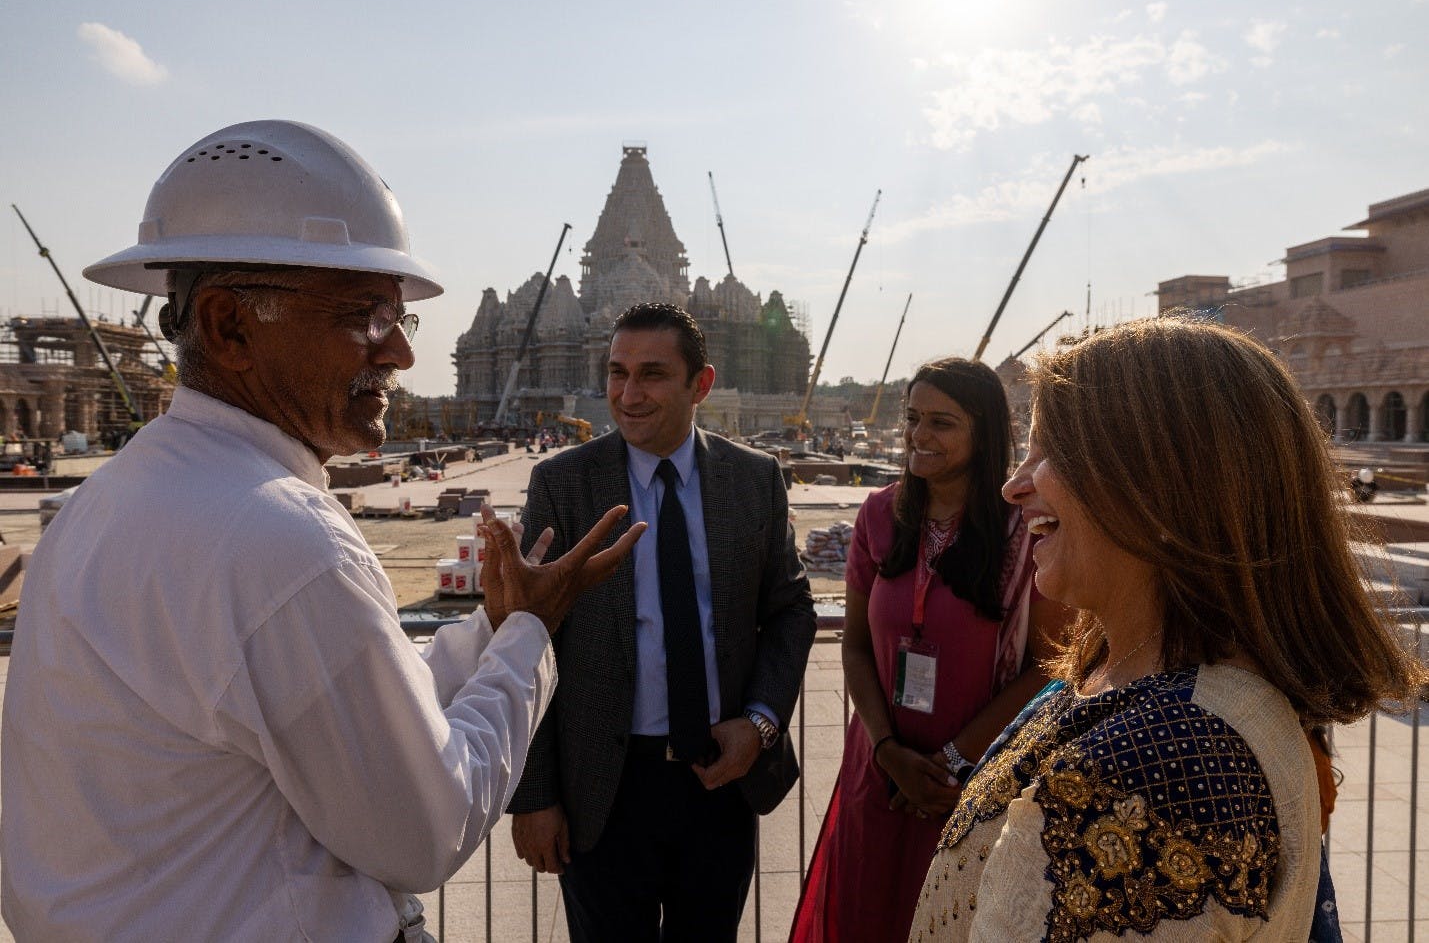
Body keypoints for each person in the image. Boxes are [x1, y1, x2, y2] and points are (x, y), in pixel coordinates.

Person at [0, 120, 644, 942]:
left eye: (398, 317)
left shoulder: (116, 500)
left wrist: (486, 628)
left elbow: (334, 694)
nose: (402, 354)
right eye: (363, 315)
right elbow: (424, 830)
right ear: (231, 326)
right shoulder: (277, 536)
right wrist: (527, 636)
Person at [909, 317, 1427, 941]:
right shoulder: (1126, 679)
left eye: (1050, 453)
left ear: (1157, 487)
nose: (1013, 485)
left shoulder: (1165, 768)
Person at [508, 302, 818, 942]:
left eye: (651, 374)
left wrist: (760, 724)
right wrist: (533, 794)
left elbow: (789, 610)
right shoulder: (563, 484)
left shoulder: (754, 480)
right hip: (602, 787)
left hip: (720, 773)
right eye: (617, 373)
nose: (627, 394)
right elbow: (526, 642)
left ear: (700, 385)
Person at [790, 358, 1072, 943]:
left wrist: (953, 760)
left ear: (985, 432)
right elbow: (858, 647)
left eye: (942, 422)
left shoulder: (1026, 529)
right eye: (913, 417)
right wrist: (888, 749)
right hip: (880, 773)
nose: (919, 436)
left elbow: (1048, 663)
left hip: (974, 782)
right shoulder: (878, 515)